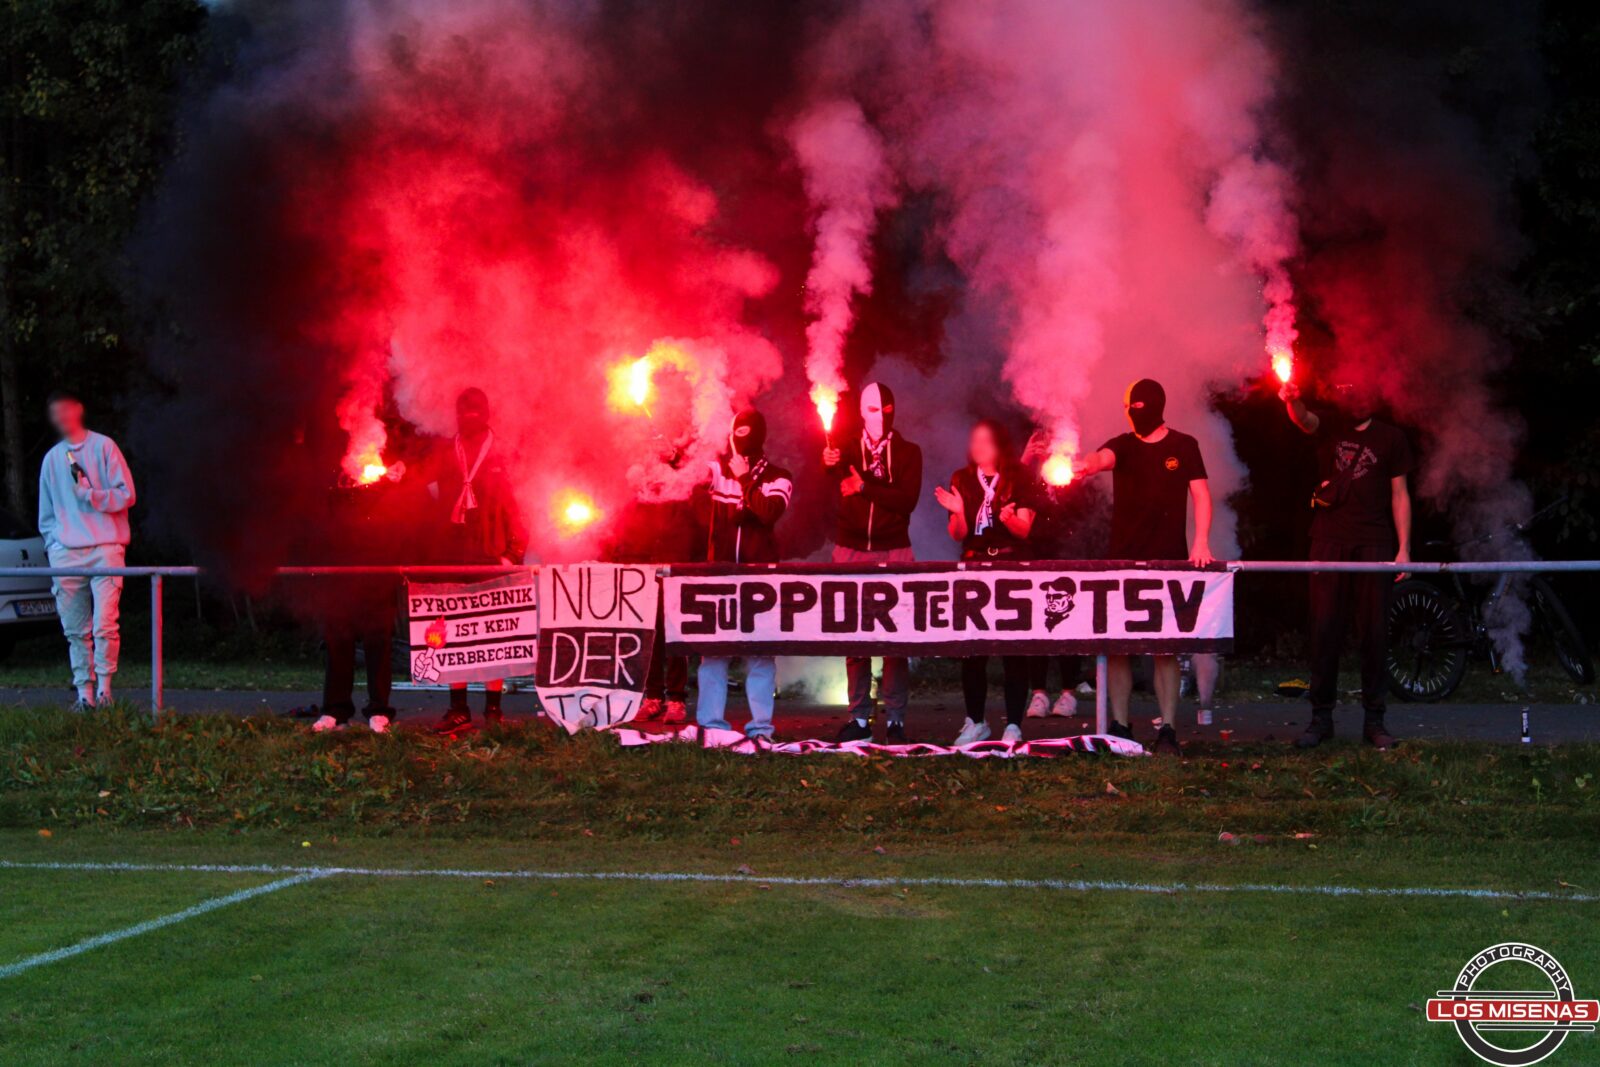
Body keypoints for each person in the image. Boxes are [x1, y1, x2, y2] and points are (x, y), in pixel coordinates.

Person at [1074, 378, 1214, 755]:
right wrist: (1082, 465)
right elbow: (1100, 459)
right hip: (1122, 561)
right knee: (1119, 646)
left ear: (1154, 405)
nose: (1133, 413)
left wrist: (1200, 541)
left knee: (1164, 648)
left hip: (1168, 560)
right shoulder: (1122, 445)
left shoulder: (1184, 445)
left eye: (1137, 405)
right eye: (1129, 407)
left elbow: (1201, 495)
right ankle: (1120, 725)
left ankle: (1167, 728)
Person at [1280, 379, 1412, 750]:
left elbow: (1400, 494)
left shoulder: (1392, 438)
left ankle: (1375, 721)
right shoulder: (1330, 429)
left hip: (1374, 544)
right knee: (1324, 632)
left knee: (1374, 635)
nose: (1359, 398)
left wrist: (1404, 549)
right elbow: (1303, 418)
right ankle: (1320, 719)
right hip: (1328, 541)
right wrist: (1292, 398)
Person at [822, 382, 923, 743]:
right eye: (869, 410)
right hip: (850, 548)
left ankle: (895, 719)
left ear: (893, 410)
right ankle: (860, 718)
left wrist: (864, 487)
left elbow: (906, 500)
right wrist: (830, 463)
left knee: (896, 640)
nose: (876, 417)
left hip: (895, 548)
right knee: (855, 637)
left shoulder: (910, 452)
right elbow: (834, 477)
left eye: (882, 409)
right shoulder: (846, 447)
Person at [426, 387, 528, 735]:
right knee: (453, 631)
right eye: (463, 410)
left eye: (475, 410)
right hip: (454, 552)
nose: (468, 416)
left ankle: (494, 711)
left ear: (486, 413)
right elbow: (432, 501)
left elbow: (517, 504)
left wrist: (512, 553)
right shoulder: (446, 450)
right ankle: (458, 710)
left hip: (491, 551)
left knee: (493, 631)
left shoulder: (502, 452)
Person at [933, 419, 1038, 745]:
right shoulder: (961, 478)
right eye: (974, 439)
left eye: (985, 440)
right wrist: (959, 512)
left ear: (1000, 444)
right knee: (972, 647)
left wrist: (1010, 521)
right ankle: (975, 721)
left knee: (1013, 647)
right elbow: (957, 534)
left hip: (1009, 567)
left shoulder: (1019, 477)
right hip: (974, 566)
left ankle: (1014, 725)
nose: (977, 445)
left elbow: (1025, 530)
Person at [695, 410, 792, 739]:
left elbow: (768, 514)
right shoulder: (718, 470)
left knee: (761, 656)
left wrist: (746, 479)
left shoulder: (779, 476)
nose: (739, 438)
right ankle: (711, 727)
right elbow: (689, 475)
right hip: (718, 578)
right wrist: (675, 457)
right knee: (713, 656)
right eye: (735, 431)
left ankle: (760, 729)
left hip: (760, 580)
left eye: (746, 431)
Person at [36, 391, 136, 708]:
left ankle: (106, 692)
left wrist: (92, 496)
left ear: (78, 410)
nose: (61, 417)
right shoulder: (52, 459)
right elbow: (47, 515)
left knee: (105, 622)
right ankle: (85, 696)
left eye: (65, 410)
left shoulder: (104, 446)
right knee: (75, 629)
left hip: (105, 546)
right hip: (67, 552)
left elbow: (126, 494)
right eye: (55, 412)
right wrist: (56, 546)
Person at [1020, 429, 1086, 719]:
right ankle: (1038, 693)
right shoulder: (1029, 478)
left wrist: (1068, 476)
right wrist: (1025, 460)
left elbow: (1081, 511)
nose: (1045, 448)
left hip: (1068, 555)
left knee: (1067, 622)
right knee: (1036, 626)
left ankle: (1069, 692)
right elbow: (1009, 492)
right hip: (1034, 555)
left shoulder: (1071, 472)